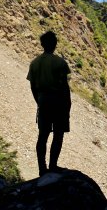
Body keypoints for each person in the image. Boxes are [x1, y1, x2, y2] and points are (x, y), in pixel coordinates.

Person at [27, 30, 71, 176]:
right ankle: (53, 166)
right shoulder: (60, 62)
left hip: (43, 101)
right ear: (55, 44)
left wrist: (39, 101)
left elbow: (32, 86)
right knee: (58, 135)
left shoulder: (35, 63)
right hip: (58, 102)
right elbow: (65, 86)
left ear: (42, 44)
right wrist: (67, 105)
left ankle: (42, 168)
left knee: (43, 135)